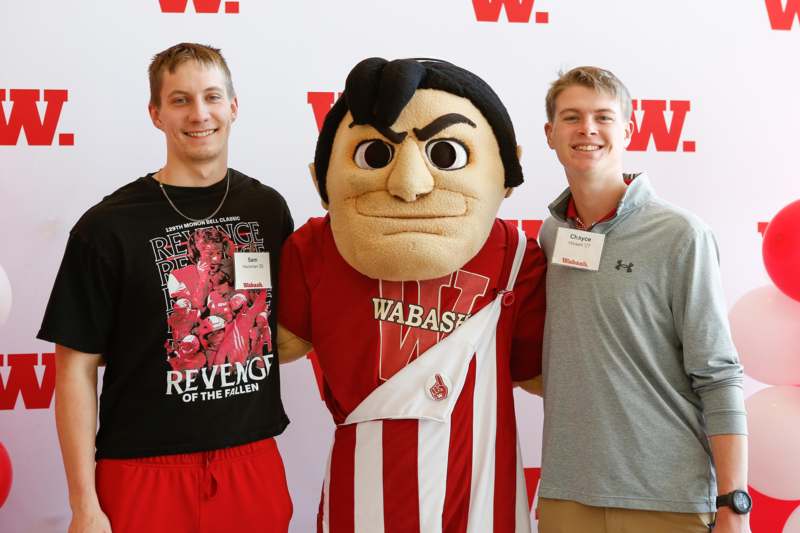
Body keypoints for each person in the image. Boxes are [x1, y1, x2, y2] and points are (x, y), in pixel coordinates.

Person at [277, 57, 547, 532]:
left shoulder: (517, 255)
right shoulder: (315, 249)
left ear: (506, 171)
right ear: (321, 180)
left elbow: (545, 374)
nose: (408, 184)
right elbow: (274, 345)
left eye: (445, 154)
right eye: (376, 156)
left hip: (481, 499)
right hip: (362, 497)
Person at [38, 43, 293, 533]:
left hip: (251, 464)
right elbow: (74, 371)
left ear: (233, 107)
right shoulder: (107, 227)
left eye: (212, 97)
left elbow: (295, 325)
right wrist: (84, 505)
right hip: (141, 473)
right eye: (180, 100)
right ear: (156, 114)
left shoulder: (268, 209)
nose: (199, 113)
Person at [536, 66, 750, 533]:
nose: (587, 129)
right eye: (571, 117)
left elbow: (717, 375)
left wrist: (734, 503)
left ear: (629, 130)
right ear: (550, 134)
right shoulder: (552, 235)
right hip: (566, 495)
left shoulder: (681, 235)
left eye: (603, 117)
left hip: (667, 497)